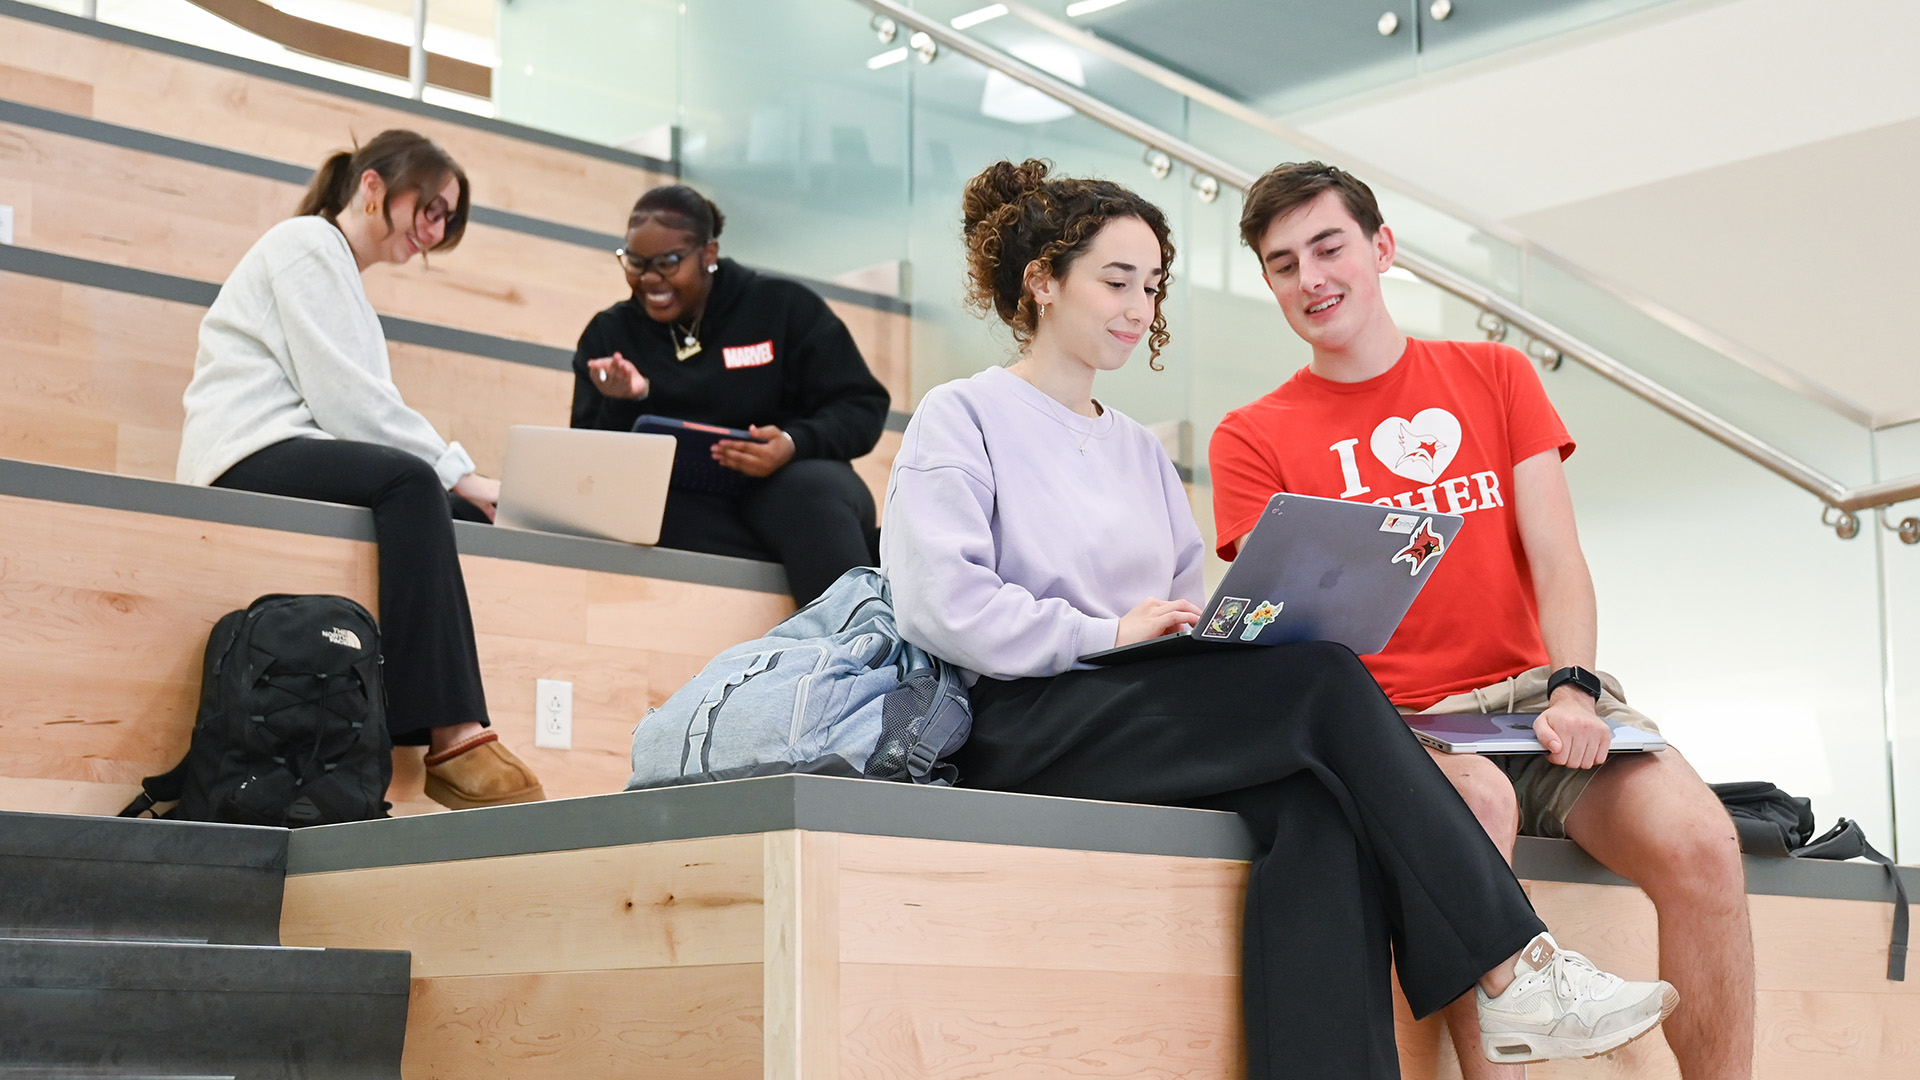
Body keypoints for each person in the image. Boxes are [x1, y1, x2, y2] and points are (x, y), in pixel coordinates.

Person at [881, 158, 1675, 1079]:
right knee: (1326, 681)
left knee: (1320, 808)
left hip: (1143, 706)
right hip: (1027, 717)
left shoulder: (1139, 448)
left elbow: (1187, 598)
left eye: (1152, 286)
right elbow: (939, 604)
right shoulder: (963, 414)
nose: (1139, 307)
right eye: (1115, 281)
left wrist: (1222, 630)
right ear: (1042, 281)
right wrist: (1104, 634)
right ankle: (1517, 970)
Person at [1210, 161, 1752, 1080]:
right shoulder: (1249, 437)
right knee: (1481, 806)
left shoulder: (1496, 376)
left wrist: (1576, 688)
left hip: (1541, 705)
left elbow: (1558, 559)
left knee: (1704, 844)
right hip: (1403, 728)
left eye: (1329, 247)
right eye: (1283, 264)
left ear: (1382, 248)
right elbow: (1280, 629)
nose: (1311, 279)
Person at [176, 129, 544, 811]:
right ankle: (453, 734)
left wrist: (457, 486)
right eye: (429, 208)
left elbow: (356, 408)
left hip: (282, 442)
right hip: (245, 447)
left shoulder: (334, 265)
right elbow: (352, 403)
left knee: (442, 506)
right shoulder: (305, 245)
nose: (434, 231)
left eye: (447, 220)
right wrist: (460, 471)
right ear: (373, 186)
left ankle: (424, 719)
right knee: (412, 483)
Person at [570, 185, 890, 604]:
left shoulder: (782, 307)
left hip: (789, 480)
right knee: (631, 517)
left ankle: (864, 648)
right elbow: (586, 461)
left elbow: (861, 404)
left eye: (667, 263)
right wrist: (621, 400)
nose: (649, 279)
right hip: (685, 498)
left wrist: (793, 444)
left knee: (813, 499)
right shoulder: (609, 335)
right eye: (635, 263)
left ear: (709, 254)